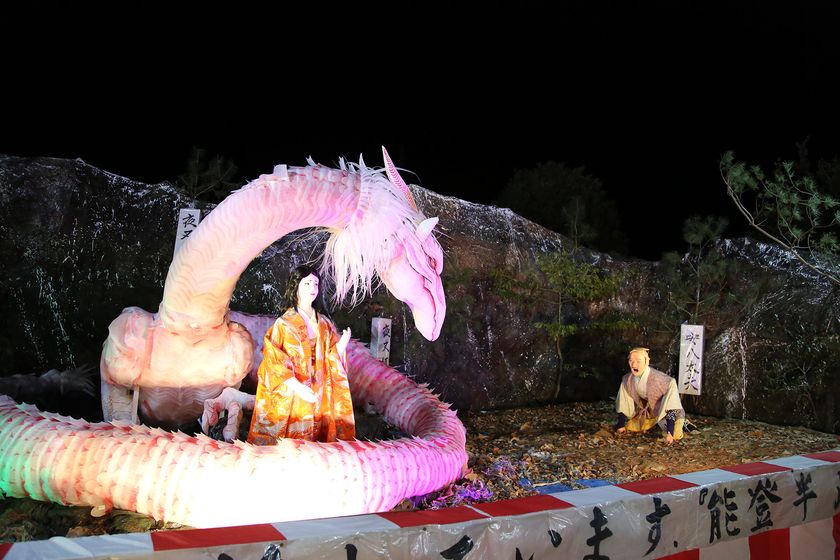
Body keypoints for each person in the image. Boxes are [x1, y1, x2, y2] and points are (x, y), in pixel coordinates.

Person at [243, 265, 356, 444]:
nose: (313, 288)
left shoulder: (325, 323)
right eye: (307, 283)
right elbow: (273, 359)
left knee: (318, 435)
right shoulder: (284, 324)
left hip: (319, 388)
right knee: (292, 439)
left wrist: (340, 348)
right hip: (294, 388)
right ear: (296, 286)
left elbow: (331, 356)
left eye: (316, 284)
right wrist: (295, 385)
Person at [614, 347, 684, 444]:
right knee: (631, 427)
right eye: (631, 361)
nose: (633, 364)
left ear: (647, 362)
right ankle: (653, 423)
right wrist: (621, 424)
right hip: (648, 411)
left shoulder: (663, 380)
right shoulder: (627, 379)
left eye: (638, 361)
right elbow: (623, 402)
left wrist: (670, 432)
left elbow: (671, 404)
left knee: (676, 434)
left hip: (664, 410)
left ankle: (678, 425)